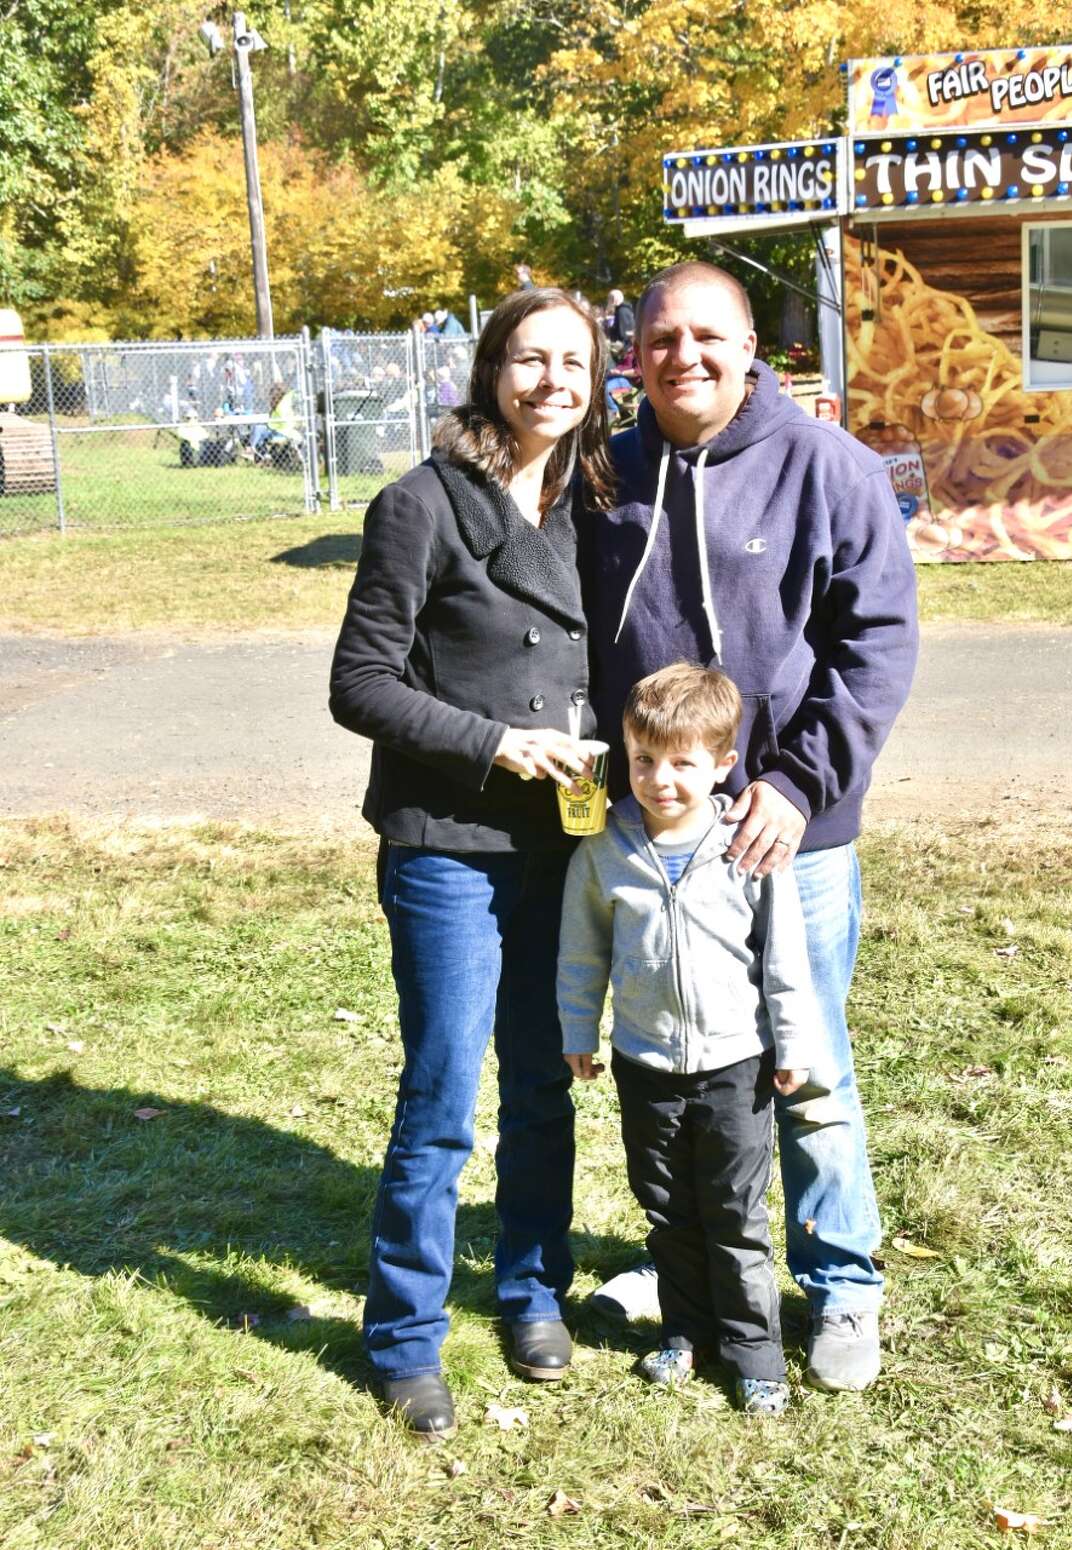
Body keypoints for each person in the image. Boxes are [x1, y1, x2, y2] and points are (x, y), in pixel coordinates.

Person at [580, 260, 919, 1392]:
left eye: (708, 335)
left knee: (804, 1059)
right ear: (635, 354)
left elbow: (876, 643)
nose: (684, 356)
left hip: (791, 833)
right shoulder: (606, 472)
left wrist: (799, 782)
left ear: (751, 347)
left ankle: (842, 1279)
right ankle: (684, 1269)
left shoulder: (829, 468)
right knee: (676, 1065)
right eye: (661, 338)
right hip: (657, 834)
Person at [329, 286, 615, 1439]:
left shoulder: (597, 504)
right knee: (444, 1094)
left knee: (546, 1081)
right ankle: (403, 1332)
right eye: (530, 358)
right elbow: (360, 683)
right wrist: (499, 742)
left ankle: (532, 1288)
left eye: (575, 362)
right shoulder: (422, 504)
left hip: (569, 836)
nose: (552, 379)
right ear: (492, 369)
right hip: (449, 843)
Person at [559, 664, 818, 1417]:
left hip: (735, 1065)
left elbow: (783, 954)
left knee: (734, 1215)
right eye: (643, 760)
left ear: (722, 766)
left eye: (682, 763)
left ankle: (753, 1352)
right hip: (644, 1063)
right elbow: (582, 951)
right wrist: (580, 1027)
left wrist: (793, 1041)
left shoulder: (746, 846)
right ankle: (686, 1332)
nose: (660, 779)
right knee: (666, 1206)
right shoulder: (604, 848)